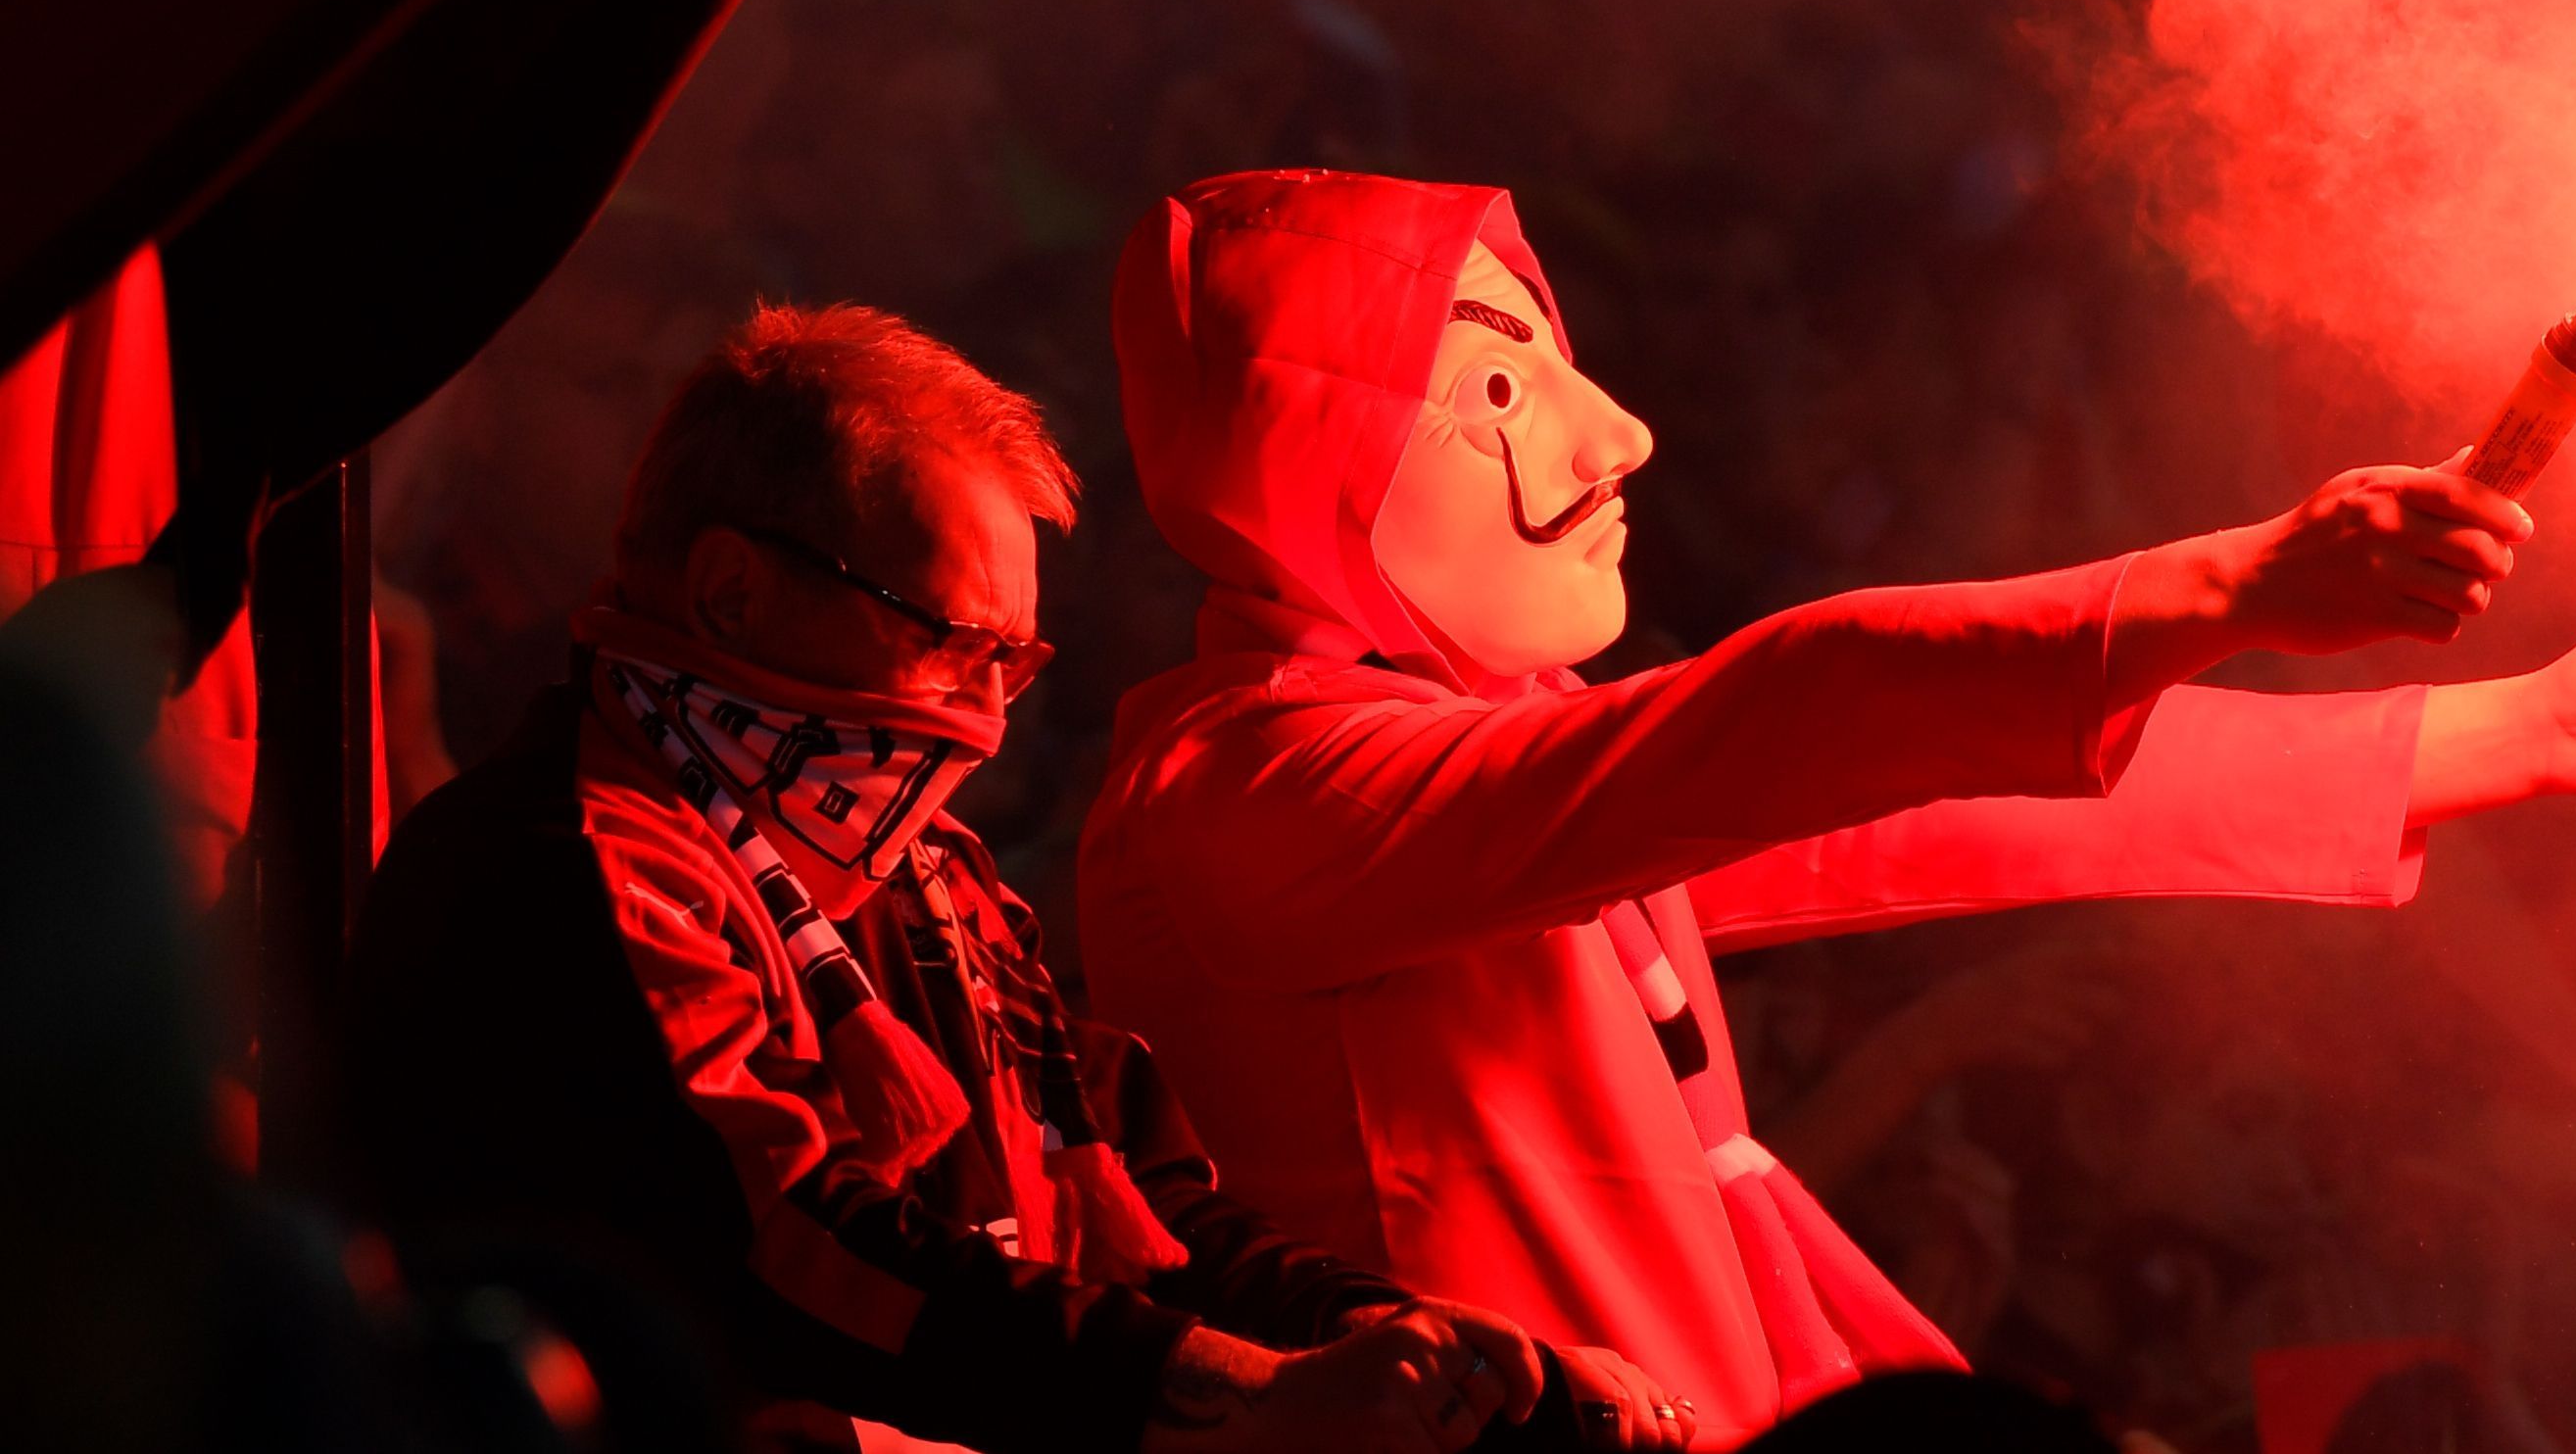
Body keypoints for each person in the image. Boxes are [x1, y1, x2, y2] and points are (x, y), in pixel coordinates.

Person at [1078, 170, 2576, 1446]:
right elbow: (1813, 711)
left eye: (1560, 365)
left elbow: (1920, 796)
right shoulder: (1240, 788)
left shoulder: (1508, 744)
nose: (1620, 437)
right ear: (1294, 455)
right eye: (1499, 392)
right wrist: (2240, 577)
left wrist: (2513, 730)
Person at [349, 302, 1680, 1454]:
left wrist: (1394, 1335)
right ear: (729, 593)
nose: (987, 718)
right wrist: (1231, 1399)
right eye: (954, 645)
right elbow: (787, 1238)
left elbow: (1142, 1204)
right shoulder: (558, 863)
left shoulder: (932, 885)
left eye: (1016, 664)